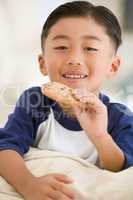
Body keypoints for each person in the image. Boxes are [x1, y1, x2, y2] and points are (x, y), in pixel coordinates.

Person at [0, 1, 133, 200]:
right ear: (43, 64)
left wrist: (99, 135)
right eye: (61, 47)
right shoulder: (35, 102)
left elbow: (121, 170)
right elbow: (5, 148)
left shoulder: (120, 116)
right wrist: (29, 184)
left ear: (112, 66)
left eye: (90, 48)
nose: (74, 58)